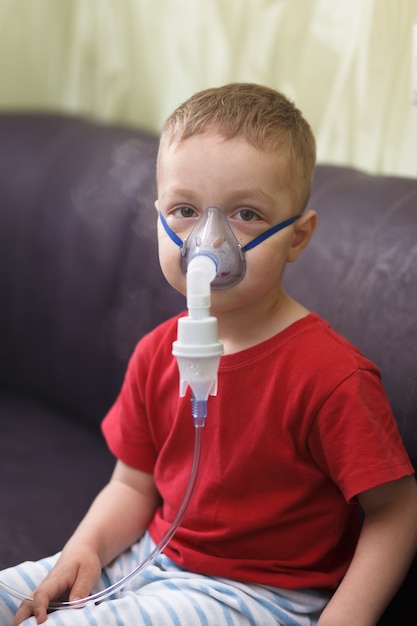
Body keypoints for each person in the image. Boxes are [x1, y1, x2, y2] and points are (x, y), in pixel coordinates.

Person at [1, 83, 417, 626]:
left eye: (245, 214)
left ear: (298, 237)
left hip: (254, 595)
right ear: (156, 219)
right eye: (184, 209)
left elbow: (395, 510)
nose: (209, 241)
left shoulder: (331, 376)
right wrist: (85, 550)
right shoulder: (157, 353)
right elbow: (132, 482)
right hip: (150, 558)